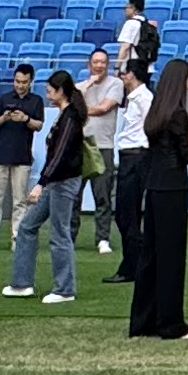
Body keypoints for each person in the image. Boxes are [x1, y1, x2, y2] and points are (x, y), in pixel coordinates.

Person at [126, 49, 188, 342]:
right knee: (171, 257)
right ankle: (171, 323)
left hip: (155, 187)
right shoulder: (178, 114)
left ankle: (143, 319)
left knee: (151, 255)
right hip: (173, 188)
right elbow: (185, 155)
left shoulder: (157, 111)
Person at [5, 70, 84, 303]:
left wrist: (41, 183)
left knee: (60, 234)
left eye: (50, 91)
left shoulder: (70, 117)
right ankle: (22, 283)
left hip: (64, 182)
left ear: (60, 91)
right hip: (56, 182)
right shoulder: (64, 115)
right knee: (27, 226)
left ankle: (65, 289)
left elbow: (59, 154)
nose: (47, 94)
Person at [107, 35, 157, 293]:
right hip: (130, 157)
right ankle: (133, 263)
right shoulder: (135, 98)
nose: (122, 76)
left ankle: (132, 265)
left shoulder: (144, 99)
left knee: (128, 213)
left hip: (137, 157)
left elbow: (151, 127)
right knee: (125, 213)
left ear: (133, 76)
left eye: (125, 73)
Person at [0, 65, 37, 250]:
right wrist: (4, 118)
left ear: (30, 82)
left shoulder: (36, 101)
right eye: (17, 81)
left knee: (20, 200)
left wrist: (25, 119)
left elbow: (39, 125)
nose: (20, 85)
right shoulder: (4, 99)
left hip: (22, 156)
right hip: (0, 155)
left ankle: (17, 236)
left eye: (24, 82)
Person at [79, 44, 125, 257]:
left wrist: (81, 110)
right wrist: (88, 85)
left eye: (103, 62)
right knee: (73, 195)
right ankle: (69, 236)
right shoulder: (80, 86)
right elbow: (70, 107)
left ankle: (103, 238)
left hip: (103, 146)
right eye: (96, 62)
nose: (99, 66)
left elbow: (104, 107)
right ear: (89, 64)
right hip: (80, 145)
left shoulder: (116, 84)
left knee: (103, 195)